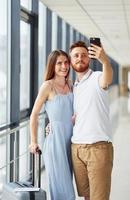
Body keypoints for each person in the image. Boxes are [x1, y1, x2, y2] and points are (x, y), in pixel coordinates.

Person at [69, 41, 114, 200]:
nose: (80, 58)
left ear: (89, 58)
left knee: (99, 198)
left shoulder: (97, 77)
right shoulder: (73, 86)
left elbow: (107, 78)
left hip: (98, 149)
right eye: (76, 55)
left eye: (83, 55)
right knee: (87, 196)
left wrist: (105, 61)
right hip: (77, 149)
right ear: (71, 60)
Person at [29, 50, 75, 200]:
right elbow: (34, 114)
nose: (64, 66)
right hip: (55, 143)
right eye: (59, 63)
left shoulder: (71, 85)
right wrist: (33, 141)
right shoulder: (47, 86)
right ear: (52, 66)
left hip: (72, 142)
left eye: (66, 62)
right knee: (63, 191)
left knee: (68, 184)